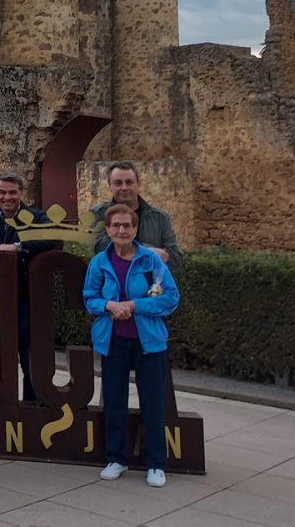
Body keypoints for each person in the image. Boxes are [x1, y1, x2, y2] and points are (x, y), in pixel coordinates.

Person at [83, 203, 179, 488]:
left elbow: (170, 299)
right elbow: (89, 299)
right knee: (114, 402)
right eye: (116, 226)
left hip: (149, 343)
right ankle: (116, 458)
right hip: (113, 341)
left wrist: (134, 305)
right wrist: (109, 304)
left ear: (135, 229)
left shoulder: (152, 262)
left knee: (152, 403)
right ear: (108, 230)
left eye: (127, 225)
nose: (122, 230)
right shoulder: (99, 263)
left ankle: (155, 464)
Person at [0, 171, 51, 402]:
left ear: (21, 194)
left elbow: (50, 239)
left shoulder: (36, 217)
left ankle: (31, 406)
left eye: (12, 192)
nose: (7, 197)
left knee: (29, 358)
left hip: (25, 297)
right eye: (2, 192)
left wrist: (16, 246)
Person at [92, 162, 184, 271]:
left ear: (138, 184)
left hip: (150, 285)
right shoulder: (99, 214)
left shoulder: (160, 218)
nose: (124, 187)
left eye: (129, 182)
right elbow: (101, 247)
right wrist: (147, 252)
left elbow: (175, 258)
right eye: (118, 183)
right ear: (110, 186)